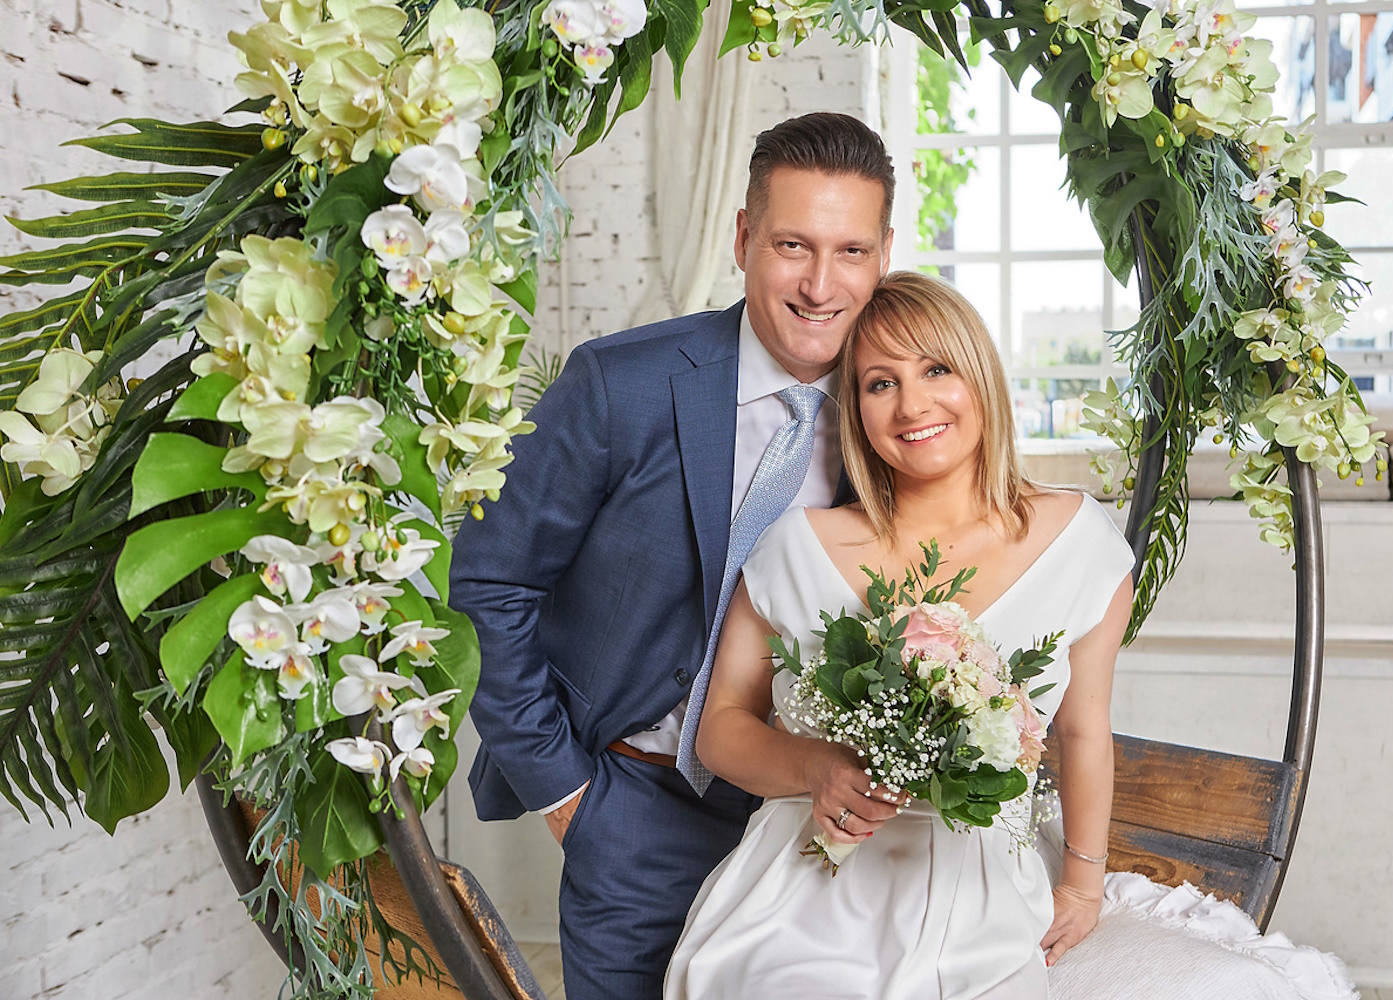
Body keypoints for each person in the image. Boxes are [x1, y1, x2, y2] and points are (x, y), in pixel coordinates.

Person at [448, 112, 895, 1000]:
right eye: (793, 245)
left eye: (850, 251)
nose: (820, 284)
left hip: (814, 824)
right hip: (634, 807)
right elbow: (490, 580)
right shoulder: (622, 385)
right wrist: (570, 797)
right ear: (743, 237)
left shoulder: (900, 413)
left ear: (884, 255)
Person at [663, 271, 1136, 998]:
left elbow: (1083, 732)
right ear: (856, 410)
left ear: (979, 375)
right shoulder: (796, 545)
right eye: (880, 383)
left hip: (979, 882)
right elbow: (719, 729)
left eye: (936, 369)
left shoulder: (1080, 542)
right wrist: (815, 767)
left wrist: (1082, 884)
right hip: (808, 880)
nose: (912, 405)